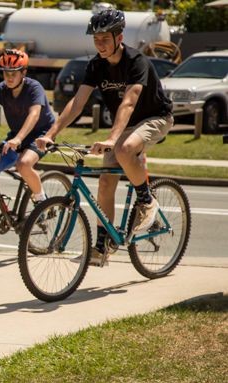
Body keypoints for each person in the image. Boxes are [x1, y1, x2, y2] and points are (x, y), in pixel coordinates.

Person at [37, 8, 173, 267]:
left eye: (105, 39)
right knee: (105, 182)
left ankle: (146, 201)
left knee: (124, 148)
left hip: (156, 118)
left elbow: (129, 101)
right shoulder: (96, 66)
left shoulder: (137, 62)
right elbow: (77, 103)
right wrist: (51, 134)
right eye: (95, 39)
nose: (99, 44)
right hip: (126, 126)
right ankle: (102, 246)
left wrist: (112, 138)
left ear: (118, 38)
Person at [0, 49, 55, 233]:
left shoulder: (34, 88)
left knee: (24, 164)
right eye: (5, 73)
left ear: (24, 72)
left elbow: (34, 114)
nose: (9, 77)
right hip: (16, 136)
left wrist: (19, 138)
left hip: (40, 134)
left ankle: (42, 203)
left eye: (13, 73)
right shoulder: (2, 89)